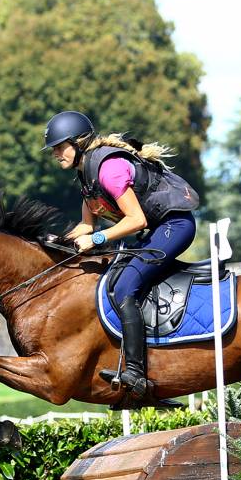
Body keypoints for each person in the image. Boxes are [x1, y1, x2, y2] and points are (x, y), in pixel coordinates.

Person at [43, 110, 200, 399]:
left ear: (78, 142)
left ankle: (137, 375)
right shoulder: (86, 174)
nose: (55, 153)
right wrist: (55, 241)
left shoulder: (108, 169)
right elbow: (85, 225)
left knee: (125, 287)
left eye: (59, 146)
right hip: (156, 230)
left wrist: (98, 238)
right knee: (113, 280)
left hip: (175, 226)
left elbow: (136, 220)